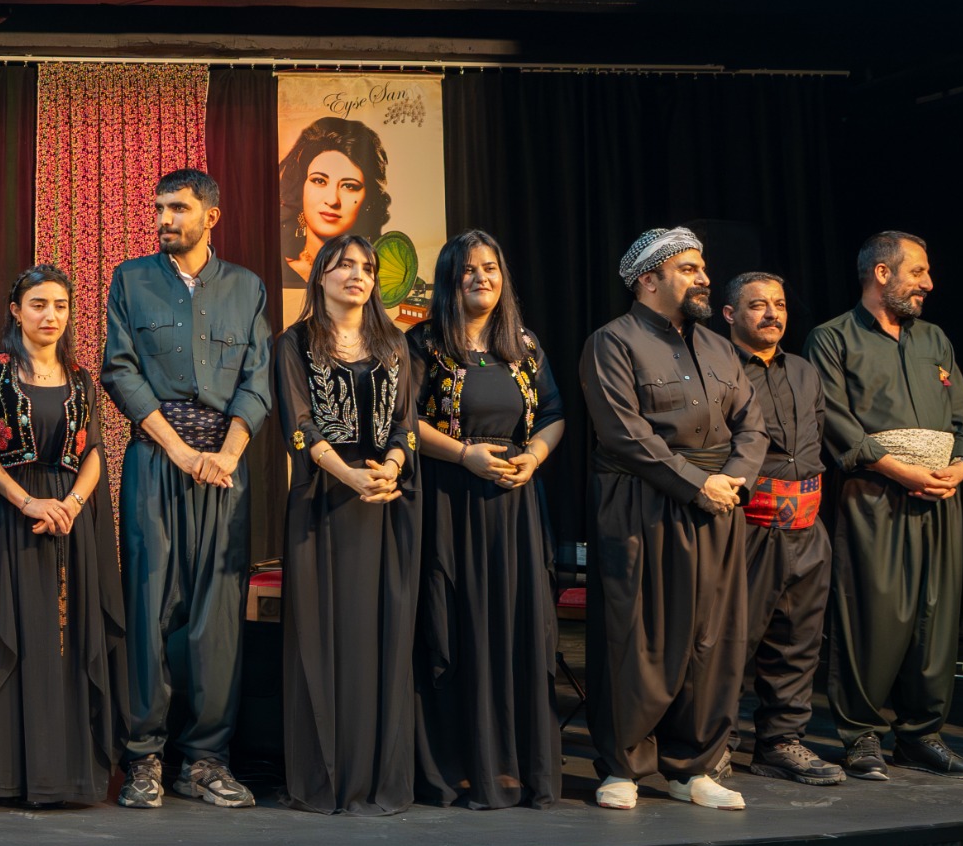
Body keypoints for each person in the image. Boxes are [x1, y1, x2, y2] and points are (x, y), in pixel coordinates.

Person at [101, 168, 272, 811]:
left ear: (211, 216)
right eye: (159, 208)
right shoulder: (131, 279)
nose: (164, 218)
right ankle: (143, 757)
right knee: (149, 608)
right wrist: (178, 451)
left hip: (224, 468)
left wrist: (225, 455)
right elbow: (119, 370)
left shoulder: (247, 288)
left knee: (216, 618)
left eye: (177, 208)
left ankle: (204, 761)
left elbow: (258, 378)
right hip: (156, 460)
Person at [580, 227, 765, 812]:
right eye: (688, 268)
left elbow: (753, 424)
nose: (704, 277)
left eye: (702, 267)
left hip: (719, 503)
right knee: (638, 637)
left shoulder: (719, 347)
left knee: (713, 639)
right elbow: (623, 432)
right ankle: (623, 766)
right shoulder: (613, 341)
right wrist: (696, 483)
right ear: (648, 280)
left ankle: (694, 768)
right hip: (643, 503)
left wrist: (733, 479)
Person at [0, 264, 126, 807]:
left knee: (67, 641)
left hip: (70, 521)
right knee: (12, 633)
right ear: (16, 310)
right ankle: (5, 773)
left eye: (60, 306)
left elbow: (94, 452)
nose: (51, 316)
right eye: (39, 304)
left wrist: (71, 505)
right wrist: (27, 501)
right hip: (10, 517)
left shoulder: (81, 378)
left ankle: (66, 774)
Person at [813, 231, 963, 782]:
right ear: (882, 273)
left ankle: (921, 735)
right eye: (918, 272)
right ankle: (861, 736)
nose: (928, 283)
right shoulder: (833, 338)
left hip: (939, 495)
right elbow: (834, 420)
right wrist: (896, 468)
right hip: (874, 494)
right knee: (872, 615)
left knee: (936, 615)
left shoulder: (934, 339)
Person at [408, 231, 566, 809]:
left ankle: (514, 765)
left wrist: (536, 457)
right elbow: (403, 421)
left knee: (517, 628)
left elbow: (553, 413)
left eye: (491, 268)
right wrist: (463, 455)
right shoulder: (424, 343)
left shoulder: (524, 344)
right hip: (450, 502)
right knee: (458, 627)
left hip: (515, 505)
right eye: (469, 269)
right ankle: (461, 766)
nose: (482, 278)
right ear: (450, 279)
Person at [274, 235, 419, 815]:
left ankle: (377, 776)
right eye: (344, 266)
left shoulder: (394, 343)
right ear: (320, 276)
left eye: (366, 267)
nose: (358, 275)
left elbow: (406, 423)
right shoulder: (295, 343)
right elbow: (299, 425)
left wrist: (391, 467)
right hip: (323, 502)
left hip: (385, 502)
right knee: (323, 638)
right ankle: (326, 777)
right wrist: (350, 475)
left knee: (381, 638)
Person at [721, 272, 845, 787]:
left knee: (798, 642)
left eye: (779, 304)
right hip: (748, 526)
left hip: (807, 526)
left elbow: (815, 438)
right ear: (730, 314)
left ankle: (780, 743)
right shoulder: (718, 367)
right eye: (758, 305)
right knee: (731, 641)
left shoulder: (802, 370)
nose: (773, 314)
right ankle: (714, 744)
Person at [278, 116, 391, 287]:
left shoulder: (381, 275)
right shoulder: (275, 270)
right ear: (301, 189)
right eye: (319, 181)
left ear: (368, 200)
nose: (332, 200)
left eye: (349, 186)